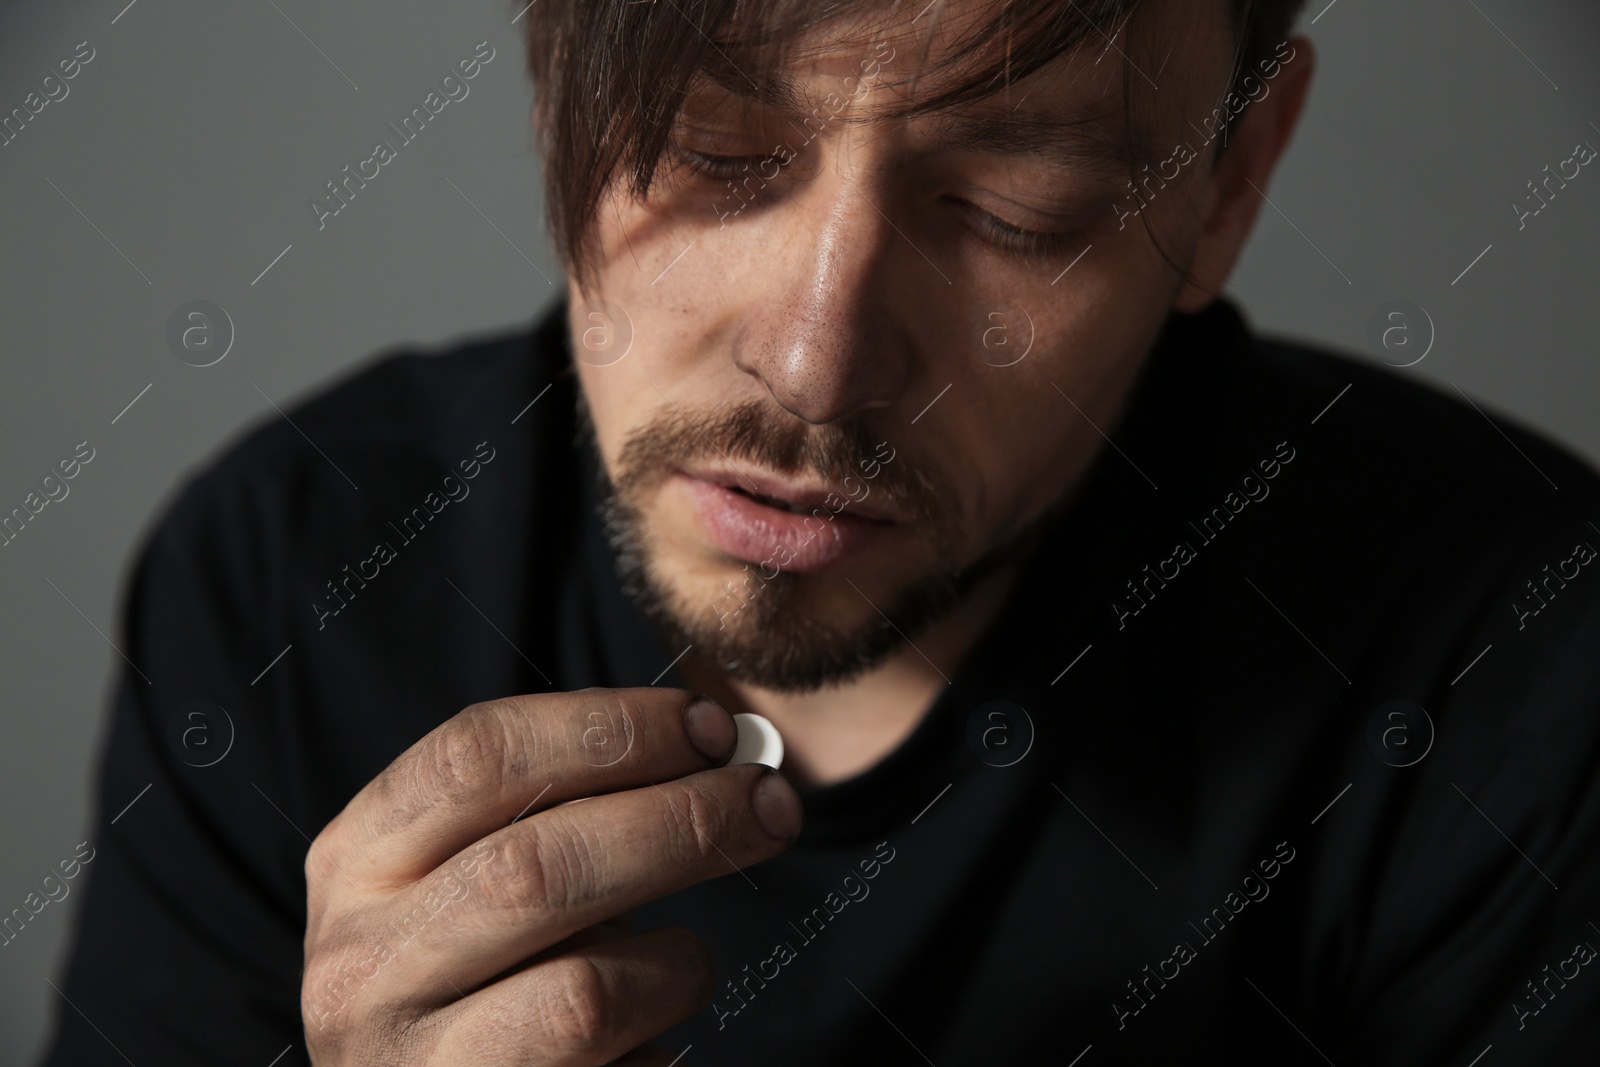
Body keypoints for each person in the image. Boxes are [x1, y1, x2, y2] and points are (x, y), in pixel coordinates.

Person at [40, 0, 1600, 1063]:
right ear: (549, 78)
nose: (816, 360)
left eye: (1016, 208)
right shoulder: (292, 574)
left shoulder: (1519, 654)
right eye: (717, 155)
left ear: (1233, 182)